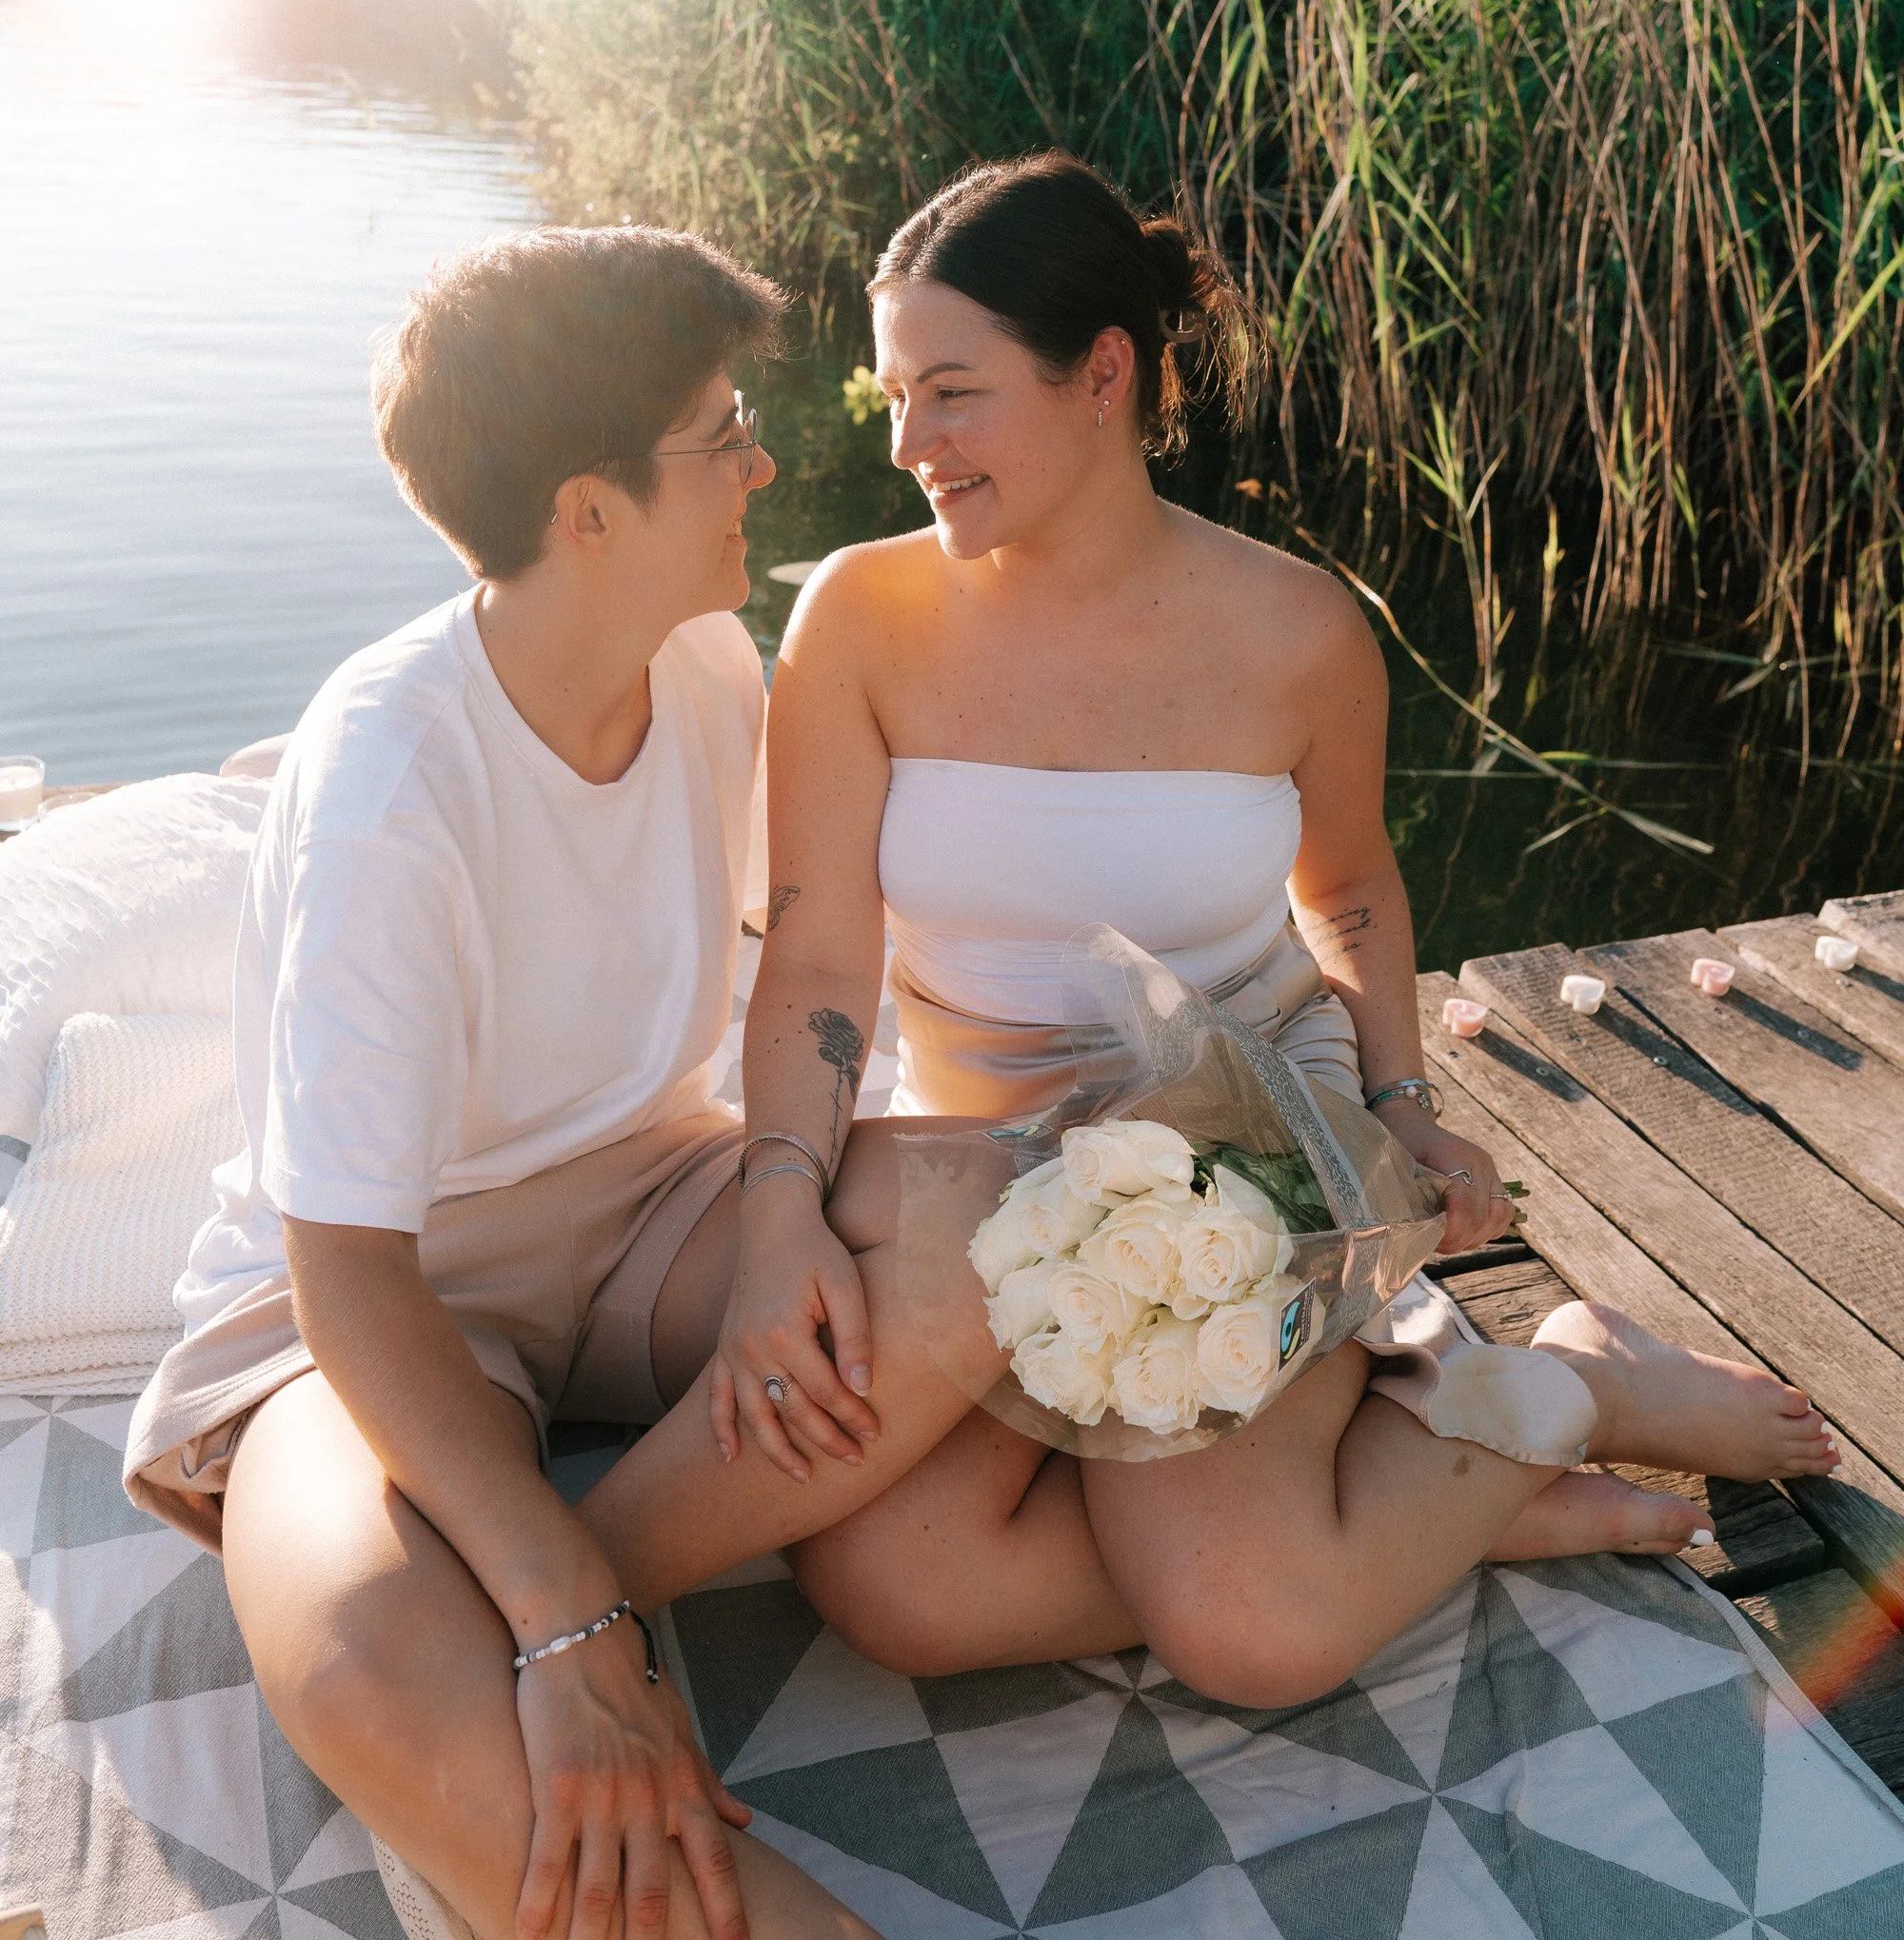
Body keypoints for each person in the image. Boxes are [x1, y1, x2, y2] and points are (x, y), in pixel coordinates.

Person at [583, 153, 1838, 1710]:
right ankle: (1460, 1488)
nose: (910, 444)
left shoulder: (1296, 628)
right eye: (895, 393)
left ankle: (1569, 1380)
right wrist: (781, 1205)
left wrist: (1399, 1107)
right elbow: (823, 952)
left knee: (1251, 1633)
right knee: (900, 1584)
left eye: (954, 394)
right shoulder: (856, 612)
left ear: (1102, 374)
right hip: (981, 1166)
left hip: (1247, 1121)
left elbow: (1354, 890)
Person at [123, 227, 880, 1940]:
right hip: (386, 1299)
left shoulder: (704, 664)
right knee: (380, 1680)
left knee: (992, 1231)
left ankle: (546, 1562)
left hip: (649, 1201)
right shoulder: (393, 781)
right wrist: (562, 1626)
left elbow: (798, 967)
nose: (765, 458)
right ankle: (538, 1617)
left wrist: (779, 1220)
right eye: (722, 431)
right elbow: (346, 1264)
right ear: (585, 509)